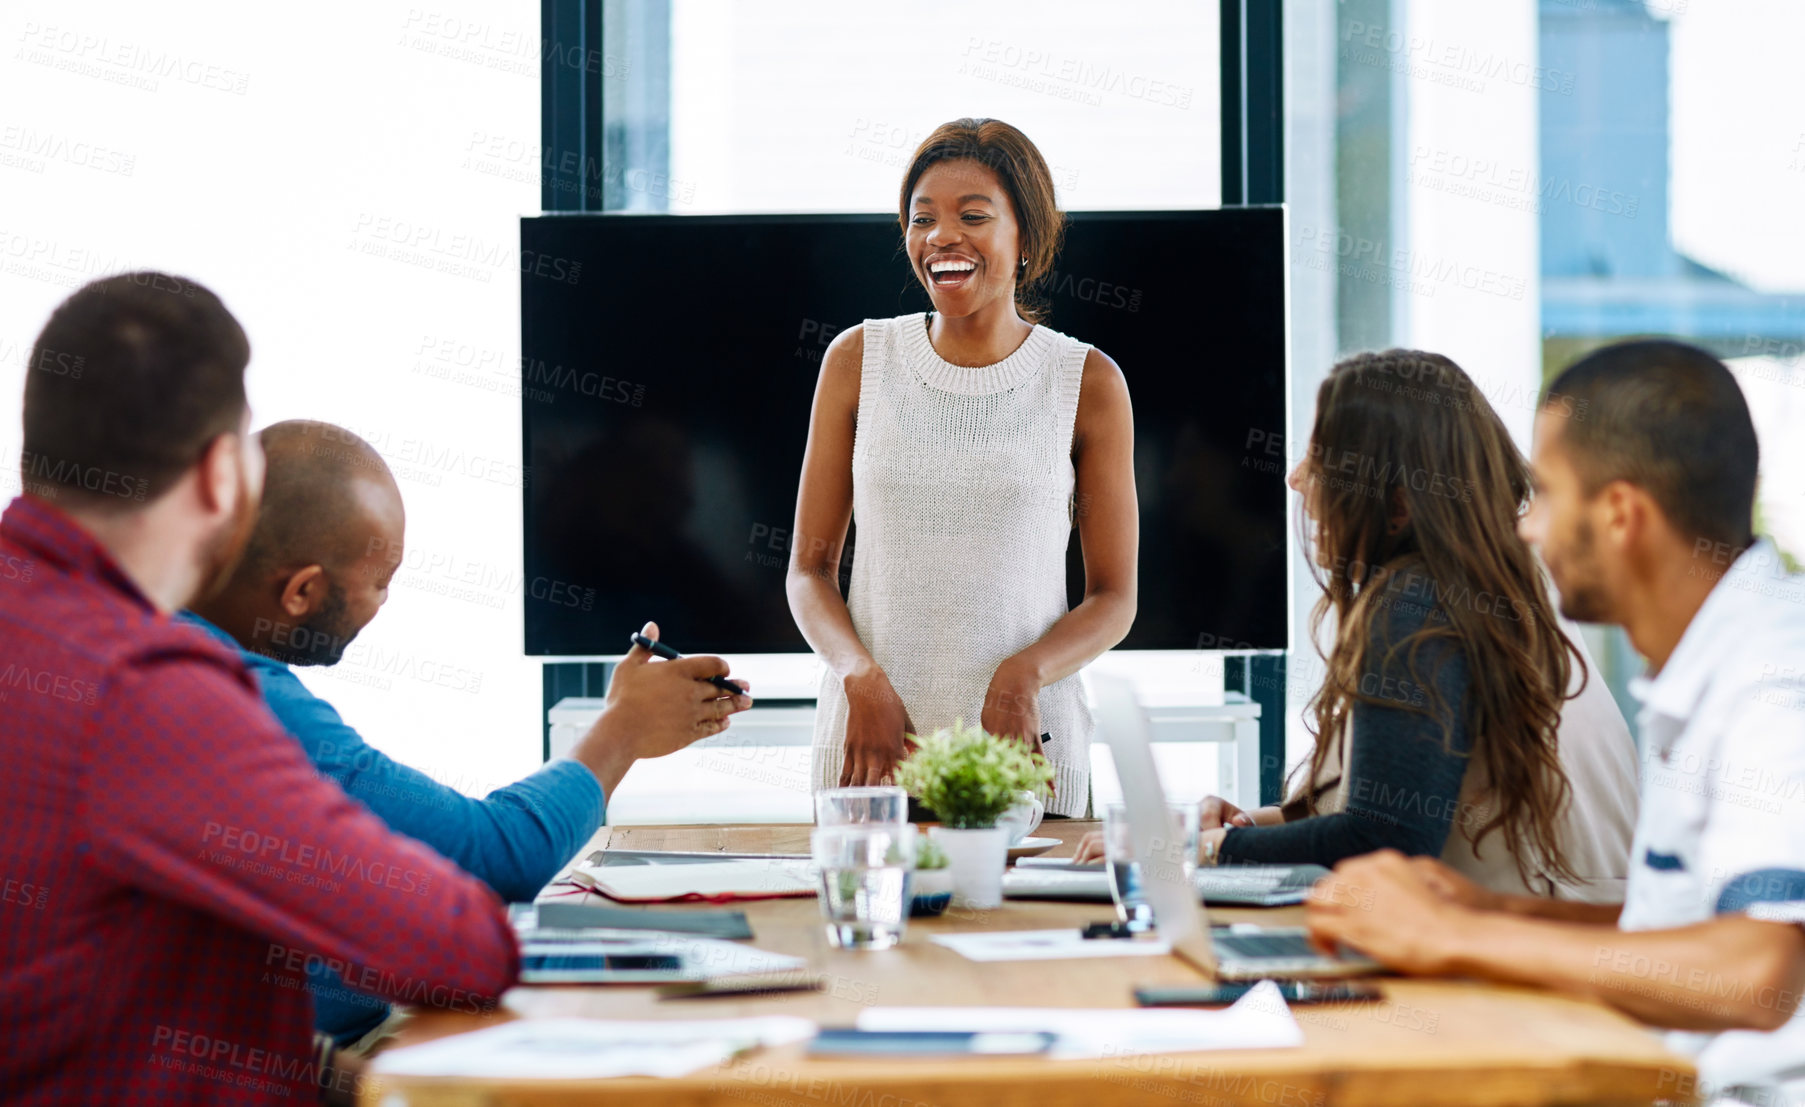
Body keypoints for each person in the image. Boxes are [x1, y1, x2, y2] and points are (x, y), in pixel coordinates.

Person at [1307, 340, 1805, 1105]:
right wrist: (1488, 908)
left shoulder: (1770, 684)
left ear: (1619, 514)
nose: (1528, 527)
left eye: (1543, 494)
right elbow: (1678, 928)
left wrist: (1453, 937)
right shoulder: (1709, 661)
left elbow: (1757, 974)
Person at [184, 419, 753, 1049]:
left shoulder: (185, 655)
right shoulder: (235, 698)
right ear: (302, 592)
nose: (385, 602)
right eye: (380, 581)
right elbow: (492, 859)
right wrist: (623, 729)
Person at [1078, 350, 1637, 902]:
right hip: (1568, 932)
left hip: (1524, 961)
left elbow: (1387, 838)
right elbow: (1407, 800)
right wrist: (1253, 826)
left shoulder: (1416, 600)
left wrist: (1194, 849)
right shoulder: (1496, 583)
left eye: (1321, 458)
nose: (1296, 478)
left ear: (1397, 506)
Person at [788, 118, 1138, 815]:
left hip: (1022, 757)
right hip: (872, 758)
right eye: (922, 220)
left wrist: (1022, 678)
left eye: (972, 216)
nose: (940, 236)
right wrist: (861, 677)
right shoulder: (856, 361)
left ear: (1027, 238)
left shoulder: (1086, 380)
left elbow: (1113, 598)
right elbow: (808, 570)